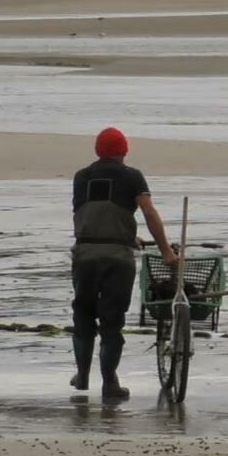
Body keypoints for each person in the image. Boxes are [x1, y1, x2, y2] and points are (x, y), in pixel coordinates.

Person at [70, 127, 179, 400]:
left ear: (98, 150)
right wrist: (166, 250)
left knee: (83, 313)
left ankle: (82, 375)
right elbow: (149, 212)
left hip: (84, 253)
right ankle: (110, 384)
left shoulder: (81, 177)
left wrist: (127, 236)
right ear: (124, 151)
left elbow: (89, 215)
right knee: (111, 320)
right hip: (117, 258)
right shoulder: (132, 176)